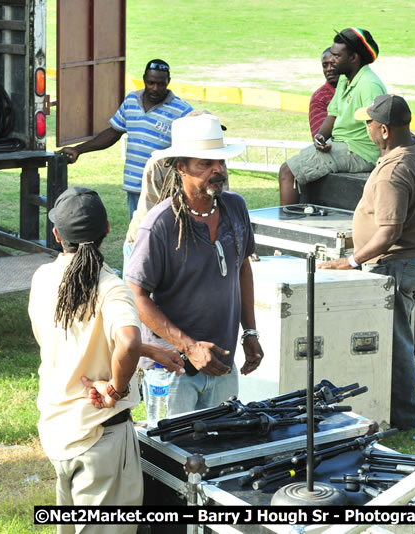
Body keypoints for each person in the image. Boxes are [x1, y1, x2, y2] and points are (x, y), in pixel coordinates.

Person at [29, 187, 183, 534]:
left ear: (57, 234)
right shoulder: (110, 287)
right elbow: (126, 340)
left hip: (58, 429)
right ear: (108, 230)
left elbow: (72, 339)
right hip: (100, 438)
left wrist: (149, 349)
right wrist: (115, 388)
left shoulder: (42, 279)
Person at [125, 113, 264, 416]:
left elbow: (242, 268)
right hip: (172, 369)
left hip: (222, 363)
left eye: (221, 163)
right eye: (205, 163)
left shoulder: (235, 207)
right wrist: (189, 347)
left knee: (222, 452)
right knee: (174, 457)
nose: (217, 170)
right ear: (181, 168)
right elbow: (136, 296)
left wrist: (250, 333)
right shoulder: (160, 225)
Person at [320, 94, 415, 432]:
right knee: (395, 337)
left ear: (385, 130)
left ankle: (409, 417)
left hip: (394, 264)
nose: (367, 127)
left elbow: (389, 231)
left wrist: (351, 260)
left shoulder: (394, 172)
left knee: (395, 342)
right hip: (413, 258)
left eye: (370, 123)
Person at [58, 59, 194, 218]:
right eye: (151, 82)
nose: (155, 88)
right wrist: (78, 149)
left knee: (162, 235)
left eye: (161, 84)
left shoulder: (181, 110)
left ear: (168, 82)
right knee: (137, 235)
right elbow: (113, 133)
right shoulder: (131, 101)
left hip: (163, 189)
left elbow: (195, 143)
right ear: (144, 79)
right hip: (134, 186)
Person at [278, 27, 386, 205]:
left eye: (337, 56)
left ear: (353, 58)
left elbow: (380, 125)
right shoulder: (345, 79)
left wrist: (383, 166)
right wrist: (320, 137)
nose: (332, 60)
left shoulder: (368, 84)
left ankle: (287, 226)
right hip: (343, 145)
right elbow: (333, 114)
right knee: (298, 163)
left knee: (288, 172)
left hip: (359, 152)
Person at [122, 110, 230, 273]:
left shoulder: (218, 165)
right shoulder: (159, 165)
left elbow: (219, 204)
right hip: (146, 242)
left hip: (192, 243)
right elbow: (150, 218)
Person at [309, 47, 338, 139]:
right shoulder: (320, 97)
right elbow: (320, 138)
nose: (329, 69)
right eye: (325, 65)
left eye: (333, 64)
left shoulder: (357, 88)